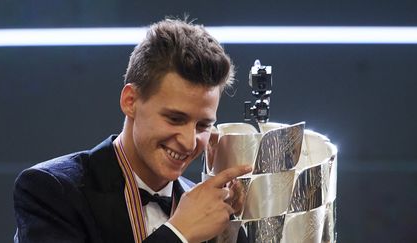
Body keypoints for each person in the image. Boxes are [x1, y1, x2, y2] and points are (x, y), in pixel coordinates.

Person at [13, 18, 251, 243]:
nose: (189, 143)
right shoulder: (50, 190)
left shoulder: (212, 207)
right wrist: (178, 234)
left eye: (203, 125)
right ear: (130, 101)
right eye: (175, 118)